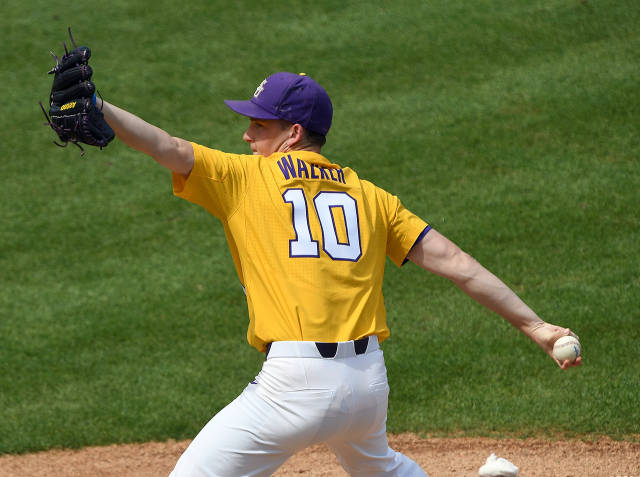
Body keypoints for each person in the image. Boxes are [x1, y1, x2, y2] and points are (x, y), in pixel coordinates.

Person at [97, 72, 581, 476]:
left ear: (292, 134)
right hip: (366, 386)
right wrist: (535, 326)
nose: (247, 136)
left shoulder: (247, 177)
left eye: (259, 125)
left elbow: (165, 145)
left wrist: (100, 106)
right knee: (381, 466)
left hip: (295, 385)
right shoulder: (370, 196)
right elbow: (457, 264)